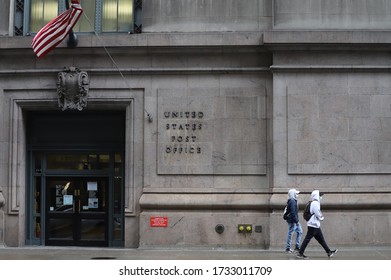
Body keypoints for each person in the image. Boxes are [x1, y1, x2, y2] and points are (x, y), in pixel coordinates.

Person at [296, 190, 338, 259]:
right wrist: (321, 218)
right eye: (320, 195)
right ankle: (300, 253)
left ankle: (329, 252)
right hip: (313, 224)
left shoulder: (314, 203)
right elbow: (317, 213)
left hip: (315, 225)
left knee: (321, 240)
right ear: (316, 196)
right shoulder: (315, 203)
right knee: (307, 239)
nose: (321, 197)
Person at [285, 189, 303, 253]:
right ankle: (288, 248)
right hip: (293, 220)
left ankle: (297, 247)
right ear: (293, 194)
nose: (297, 195)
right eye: (296, 193)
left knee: (300, 231)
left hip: (294, 220)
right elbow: (293, 212)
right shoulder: (292, 201)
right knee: (291, 233)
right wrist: (296, 221)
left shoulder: (292, 201)